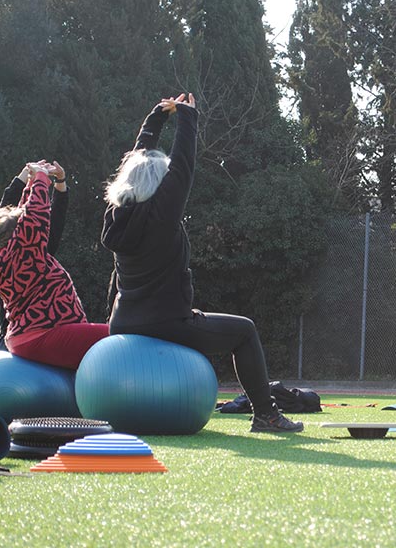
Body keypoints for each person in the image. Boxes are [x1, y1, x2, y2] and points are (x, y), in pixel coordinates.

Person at [101, 93, 304, 434]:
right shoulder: (162, 215)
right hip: (165, 323)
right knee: (245, 330)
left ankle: (266, 415)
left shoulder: (116, 216)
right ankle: (267, 415)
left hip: (123, 324)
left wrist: (157, 117)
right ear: (159, 183)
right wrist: (187, 116)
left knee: (233, 328)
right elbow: (182, 165)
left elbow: (135, 160)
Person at [0, 161, 109, 368]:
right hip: (43, 334)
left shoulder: (0, 258)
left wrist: (31, 181)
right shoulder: (26, 251)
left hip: (25, 337)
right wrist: (42, 178)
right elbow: (35, 214)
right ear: (20, 234)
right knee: (121, 332)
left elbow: (24, 214)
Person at [0, 162, 69, 351]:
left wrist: (27, 174)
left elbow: (57, 216)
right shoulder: (38, 251)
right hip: (27, 340)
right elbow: (6, 208)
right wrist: (58, 180)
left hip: (19, 339)